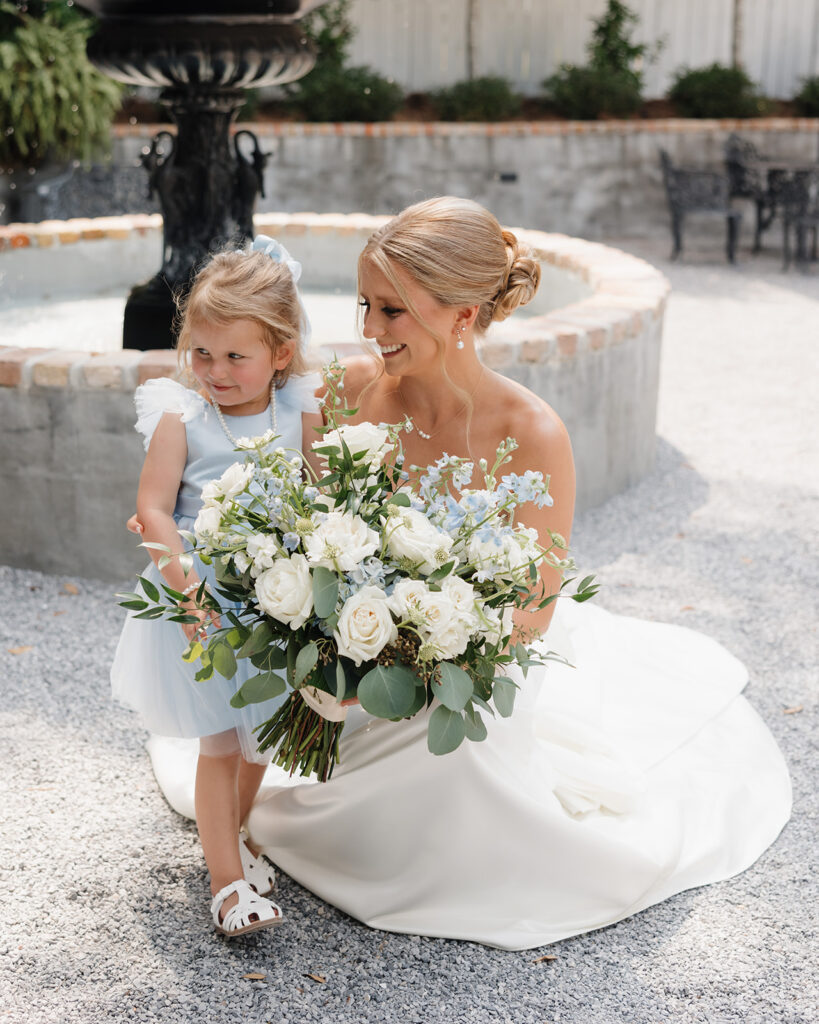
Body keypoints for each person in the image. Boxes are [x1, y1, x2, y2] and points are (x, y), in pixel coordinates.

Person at [144, 198, 791, 951]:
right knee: (290, 725)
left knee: (453, 760)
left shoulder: (532, 434)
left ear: (462, 314)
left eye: (392, 311)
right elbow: (255, 448)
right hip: (342, 656)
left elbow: (533, 615)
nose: (369, 330)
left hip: (464, 656)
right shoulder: (346, 392)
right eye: (364, 306)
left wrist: (415, 654)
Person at [111, 237, 322, 937]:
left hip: (278, 597)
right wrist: (187, 595)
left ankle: (235, 833)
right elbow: (153, 509)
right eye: (202, 352)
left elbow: (324, 500)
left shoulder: (300, 412)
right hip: (201, 597)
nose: (215, 371)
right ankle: (226, 884)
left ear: (281, 353)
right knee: (220, 743)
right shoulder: (183, 415)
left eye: (236, 356)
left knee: (263, 735)